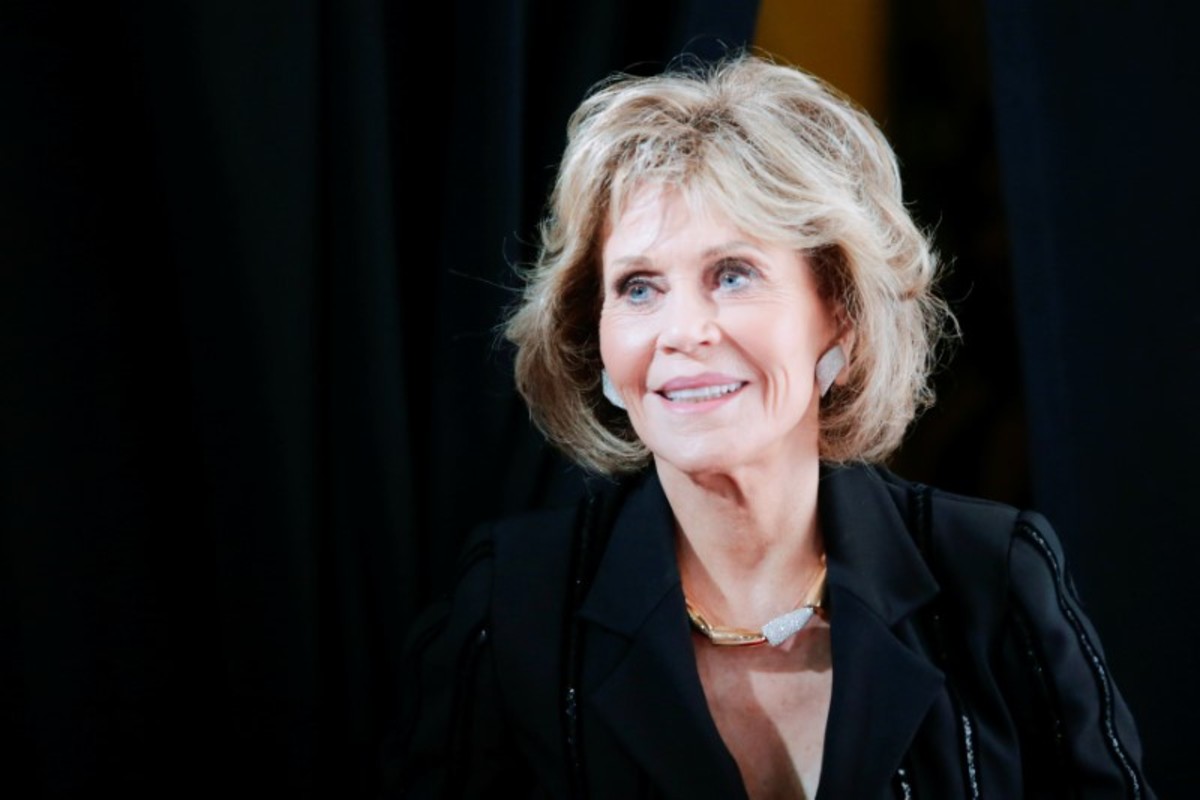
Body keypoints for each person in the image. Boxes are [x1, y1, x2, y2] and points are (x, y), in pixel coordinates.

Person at [386, 52, 1154, 799]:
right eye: (639, 287)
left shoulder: (994, 577)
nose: (683, 331)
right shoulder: (513, 607)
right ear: (599, 340)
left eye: (733, 275)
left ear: (841, 315)